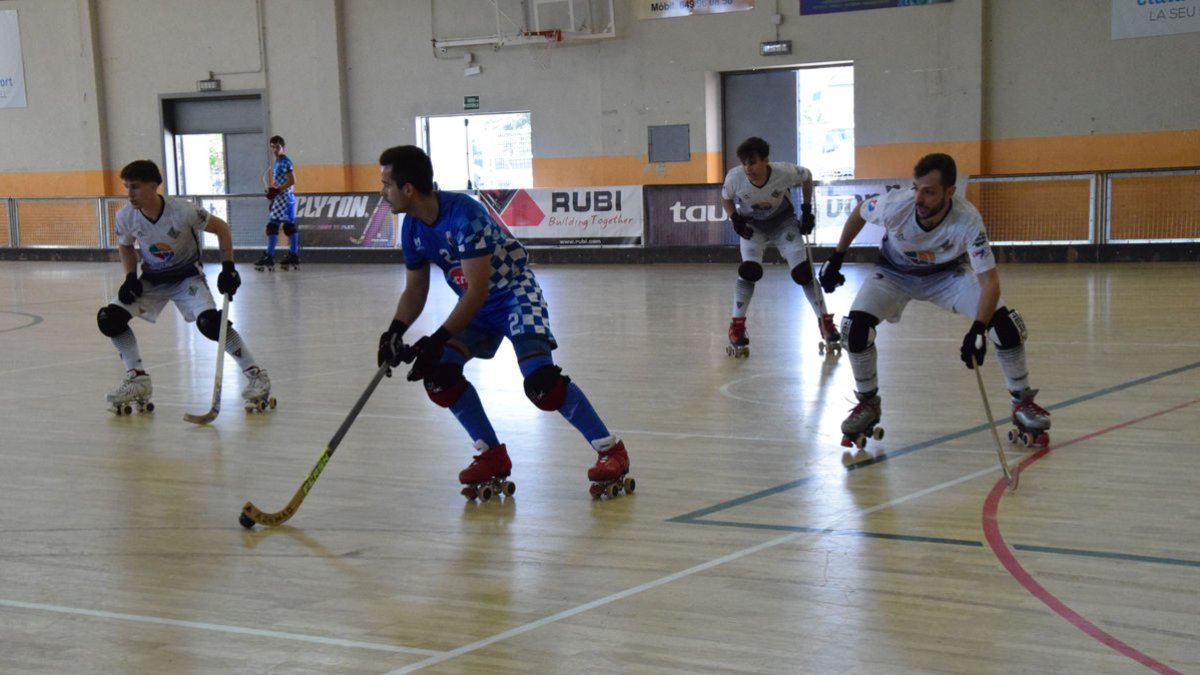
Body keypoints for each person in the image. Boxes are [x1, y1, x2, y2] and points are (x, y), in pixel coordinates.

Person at [374, 145, 632, 498]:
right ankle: (492, 455)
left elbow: (478, 290)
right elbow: (416, 290)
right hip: (475, 308)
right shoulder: (412, 227)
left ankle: (610, 450)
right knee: (439, 377)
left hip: (512, 294)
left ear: (408, 188)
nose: (382, 193)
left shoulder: (464, 215)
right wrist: (395, 331)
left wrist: (435, 338)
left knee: (542, 384)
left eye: (386, 184)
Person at [818, 153, 1051, 446]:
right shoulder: (896, 205)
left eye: (929, 192)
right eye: (917, 188)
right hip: (894, 273)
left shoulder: (968, 220)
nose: (919, 198)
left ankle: (1022, 401)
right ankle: (868, 402)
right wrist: (837, 256)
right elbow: (861, 211)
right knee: (855, 330)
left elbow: (989, 281)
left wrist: (978, 329)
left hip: (946, 276)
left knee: (1006, 326)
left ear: (950, 192)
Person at [99, 160, 272, 412]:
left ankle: (256, 375)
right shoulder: (126, 215)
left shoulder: (183, 211)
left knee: (211, 323)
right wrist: (129, 276)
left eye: (134, 187)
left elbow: (221, 228)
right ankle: (137, 378)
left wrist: (228, 267)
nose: (129, 194)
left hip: (186, 277)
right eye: (126, 187)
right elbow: (125, 246)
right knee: (108, 318)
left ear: (153, 185)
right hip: (152, 279)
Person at [721, 136, 837, 357]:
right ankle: (736, 326)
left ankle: (825, 322)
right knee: (749, 271)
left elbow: (808, 176)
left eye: (753, 162)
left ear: (765, 160)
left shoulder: (783, 172)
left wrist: (806, 209)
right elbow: (725, 198)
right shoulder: (735, 177)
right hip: (752, 224)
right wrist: (734, 217)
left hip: (782, 221)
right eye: (744, 163)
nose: (748, 168)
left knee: (803, 272)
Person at [255, 135, 298, 270]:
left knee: (273, 226)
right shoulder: (277, 162)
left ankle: (269, 256)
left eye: (277, 147)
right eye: (272, 147)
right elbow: (280, 180)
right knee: (289, 227)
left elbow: (292, 180)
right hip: (284, 198)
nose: (274, 150)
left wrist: (277, 190)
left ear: (283, 147)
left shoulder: (285, 162)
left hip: (284, 198)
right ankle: (293, 255)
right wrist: (273, 190)